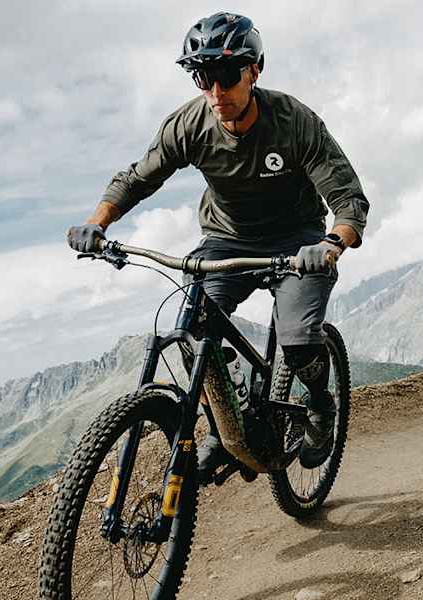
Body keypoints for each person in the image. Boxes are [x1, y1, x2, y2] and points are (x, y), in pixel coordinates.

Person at [66, 12, 370, 476]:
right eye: (202, 77)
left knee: (296, 337)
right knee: (193, 327)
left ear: (254, 70)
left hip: (299, 241)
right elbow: (137, 179)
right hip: (226, 240)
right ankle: (224, 426)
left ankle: (321, 406)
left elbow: (348, 200)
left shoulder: (293, 122)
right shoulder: (190, 124)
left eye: (226, 75)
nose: (215, 91)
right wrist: (97, 223)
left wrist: (331, 244)